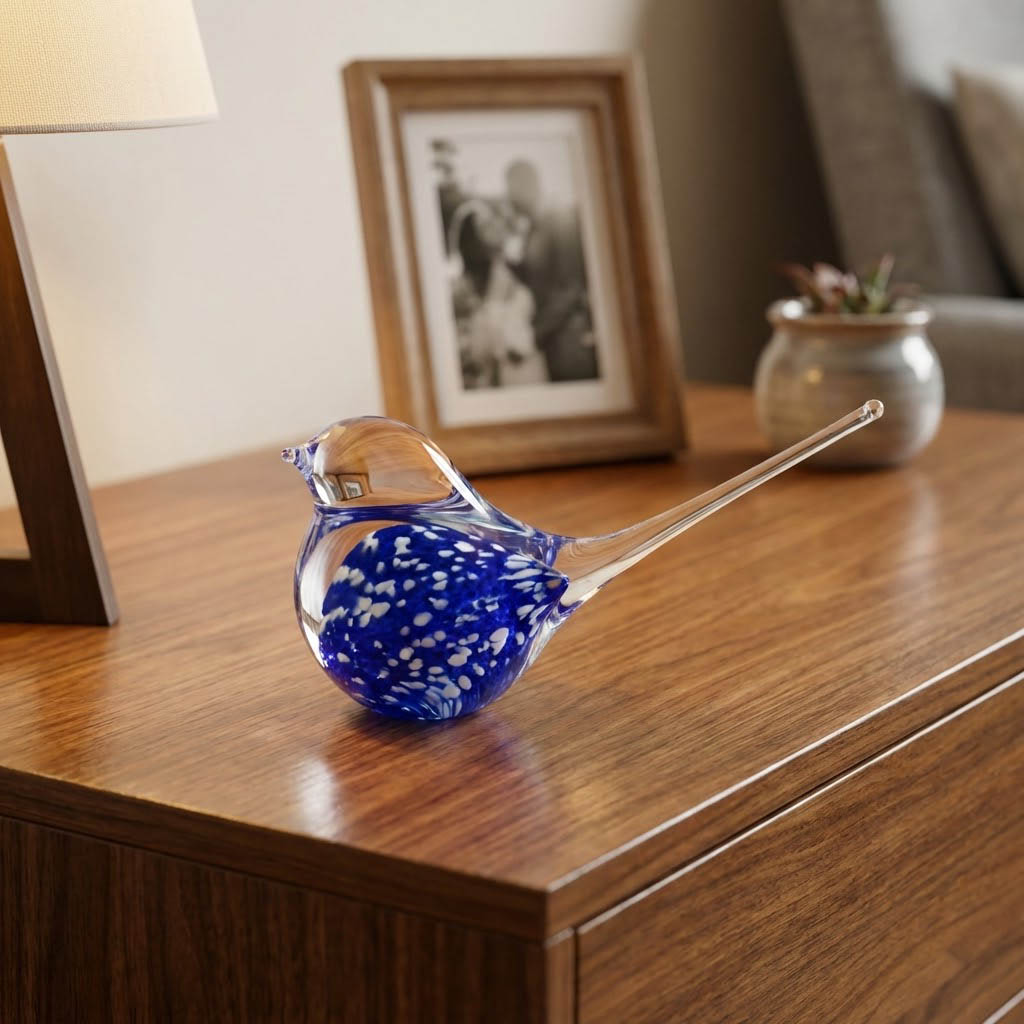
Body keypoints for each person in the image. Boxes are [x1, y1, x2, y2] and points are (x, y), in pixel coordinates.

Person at [504, 159, 599, 382]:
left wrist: (533, 336)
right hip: (552, 340)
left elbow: (571, 289)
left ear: (527, 185)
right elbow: (535, 281)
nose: (508, 198)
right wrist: (506, 257)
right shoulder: (533, 227)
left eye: (510, 189)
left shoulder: (560, 220)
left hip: (572, 339)